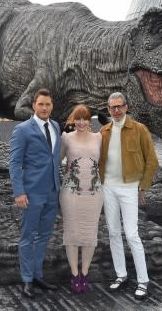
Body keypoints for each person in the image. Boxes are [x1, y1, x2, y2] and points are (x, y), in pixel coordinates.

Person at [98, 92, 159, 301]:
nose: (116, 111)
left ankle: (143, 280)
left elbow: (152, 161)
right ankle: (121, 275)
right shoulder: (104, 131)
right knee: (114, 233)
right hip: (108, 188)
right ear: (107, 109)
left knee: (132, 234)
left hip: (129, 188)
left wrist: (143, 188)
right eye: (112, 107)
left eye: (119, 106)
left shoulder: (139, 129)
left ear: (126, 106)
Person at [8, 88, 62, 299]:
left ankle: (38, 276)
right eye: (41, 104)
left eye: (48, 104)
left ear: (52, 106)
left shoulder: (56, 126)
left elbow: (54, 158)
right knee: (28, 237)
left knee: (44, 236)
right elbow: (14, 163)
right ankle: (27, 280)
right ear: (33, 106)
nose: (44, 108)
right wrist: (18, 192)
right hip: (30, 193)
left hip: (52, 191)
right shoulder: (22, 130)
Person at [59, 104, 104, 294]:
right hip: (71, 193)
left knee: (89, 234)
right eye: (78, 118)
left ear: (89, 120)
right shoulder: (66, 137)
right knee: (72, 234)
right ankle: (74, 273)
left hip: (94, 194)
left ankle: (85, 273)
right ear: (73, 119)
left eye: (85, 118)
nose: (81, 122)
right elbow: (58, 160)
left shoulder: (99, 137)